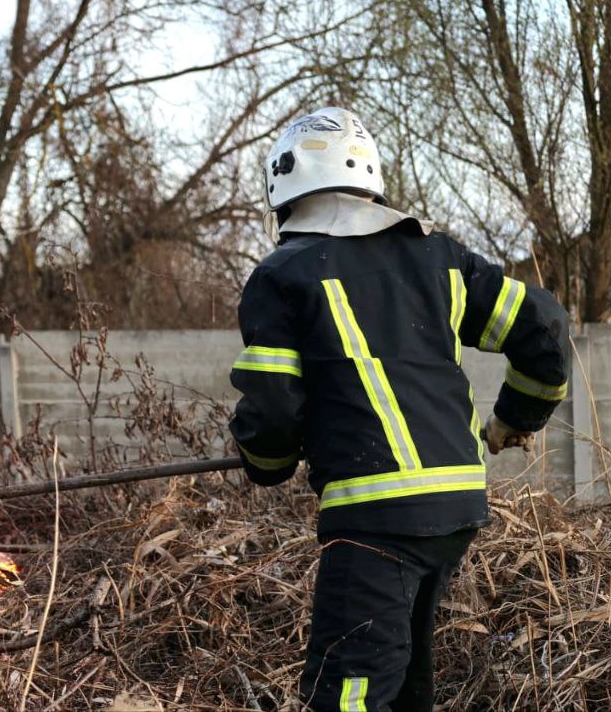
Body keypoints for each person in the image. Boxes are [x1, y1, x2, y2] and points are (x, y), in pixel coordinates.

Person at [228, 107, 570, 711]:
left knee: (349, 693)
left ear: (283, 189)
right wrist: (514, 419)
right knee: (401, 677)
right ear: (368, 180)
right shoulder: (438, 258)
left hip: (376, 518)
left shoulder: (282, 276)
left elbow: (274, 412)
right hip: (456, 506)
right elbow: (544, 330)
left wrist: (267, 463)